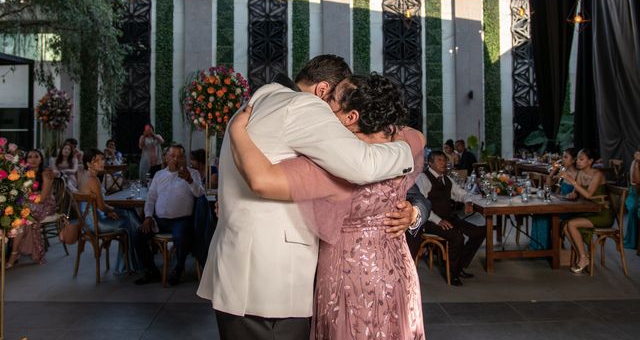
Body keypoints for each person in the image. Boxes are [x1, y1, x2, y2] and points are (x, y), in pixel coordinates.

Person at [197, 55, 417, 340]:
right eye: (339, 99)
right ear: (323, 90)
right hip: (271, 279)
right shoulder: (303, 106)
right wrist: (406, 148)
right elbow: (362, 165)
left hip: (238, 268)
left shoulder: (255, 103)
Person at [134, 144, 204, 286]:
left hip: (181, 220)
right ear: (166, 158)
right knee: (138, 235)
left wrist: (189, 180)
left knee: (181, 236)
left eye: (179, 156)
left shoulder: (193, 174)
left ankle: (178, 269)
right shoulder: (159, 175)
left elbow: (200, 193)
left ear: (184, 159)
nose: (176, 159)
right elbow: (151, 198)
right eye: (172, 156)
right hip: (159, 221)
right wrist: (148, 217)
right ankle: (151, 270)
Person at [414, 149, 486, 286]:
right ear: (430, 163)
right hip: (430, 221)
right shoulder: (422, 178)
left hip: (449, 217)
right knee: (457, 237)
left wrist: (468, 202)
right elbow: (421, 205)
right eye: (439, 160)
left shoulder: (447, 179)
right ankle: (453, 274)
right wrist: (438, 220)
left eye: (444, 160)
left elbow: (461, 193)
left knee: (479, 232)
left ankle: (459, 266)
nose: (443, 163)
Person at [77, 148, 142, 272]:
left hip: (88, 221)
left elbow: (100, 206)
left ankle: (133, 259)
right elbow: (102, 206)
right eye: (97, 161)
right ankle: (132, 262)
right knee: (128, 218)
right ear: (89, 164)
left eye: (102, 159)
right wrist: (111, 210)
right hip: (96, 224)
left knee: (128, 212)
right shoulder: (93, 180)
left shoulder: (86, 176)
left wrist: (111, 210)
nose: (102, 163)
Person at [562, 148, 614, 274]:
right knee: (563, 225)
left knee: (572, 224)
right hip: (589, 211)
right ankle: (583, 255)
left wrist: (573, 182)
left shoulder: (597, 175)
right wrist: (572, 195)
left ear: (590, 161)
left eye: (581, 159)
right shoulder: (580, 174)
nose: (578, 162)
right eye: (578, 159)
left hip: (602, 213)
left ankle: (583, 258)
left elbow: (589, 195)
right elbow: (577, 193)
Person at [7, 149, 56, 267]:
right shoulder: (24, 172)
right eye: (30, 157)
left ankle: (14, 255)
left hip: (45, 205)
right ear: (26, 160)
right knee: (16, 214)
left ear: (41, 159)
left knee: (20, 213)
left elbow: (43, 198)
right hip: (29, 203)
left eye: (36, 157)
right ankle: (12, 252)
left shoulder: (46, 173)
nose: (33, 160)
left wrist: (24, 199)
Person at [529, 148, 578, 250]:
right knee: (538, 214)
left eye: (566, 157)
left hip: (570, 209)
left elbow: (577, 194)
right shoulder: (563, 172)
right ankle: (538, 247)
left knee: (544, 218)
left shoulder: (578, 175)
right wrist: (552, 172)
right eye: (562, 157)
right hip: (560, 205)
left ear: (573, 160)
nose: (562, 160)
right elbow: (548, 185)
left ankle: (544, 249)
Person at [623, 147, 640, 249]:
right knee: (635, 208)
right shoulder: (636, 162)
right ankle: (634, 240)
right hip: (635, 194)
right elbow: (637, 181)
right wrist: (637, 163)